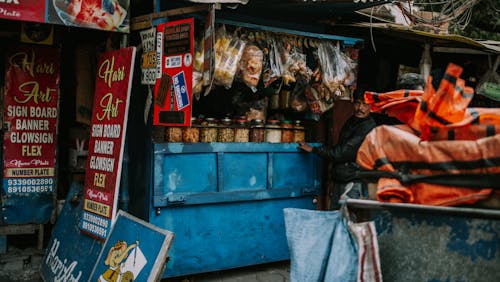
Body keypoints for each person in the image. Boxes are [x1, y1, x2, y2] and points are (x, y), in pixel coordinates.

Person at [298, 89, 376, 209]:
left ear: (371, 106)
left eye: (365, 104)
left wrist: (314, 149)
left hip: (353, 181)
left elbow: (342, 152)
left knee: (347, 221)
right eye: (357, 103)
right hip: (342, 178)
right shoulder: (352, 121)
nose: (360, 108)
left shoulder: (367, 127)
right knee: (336, 218)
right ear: (353, 103)